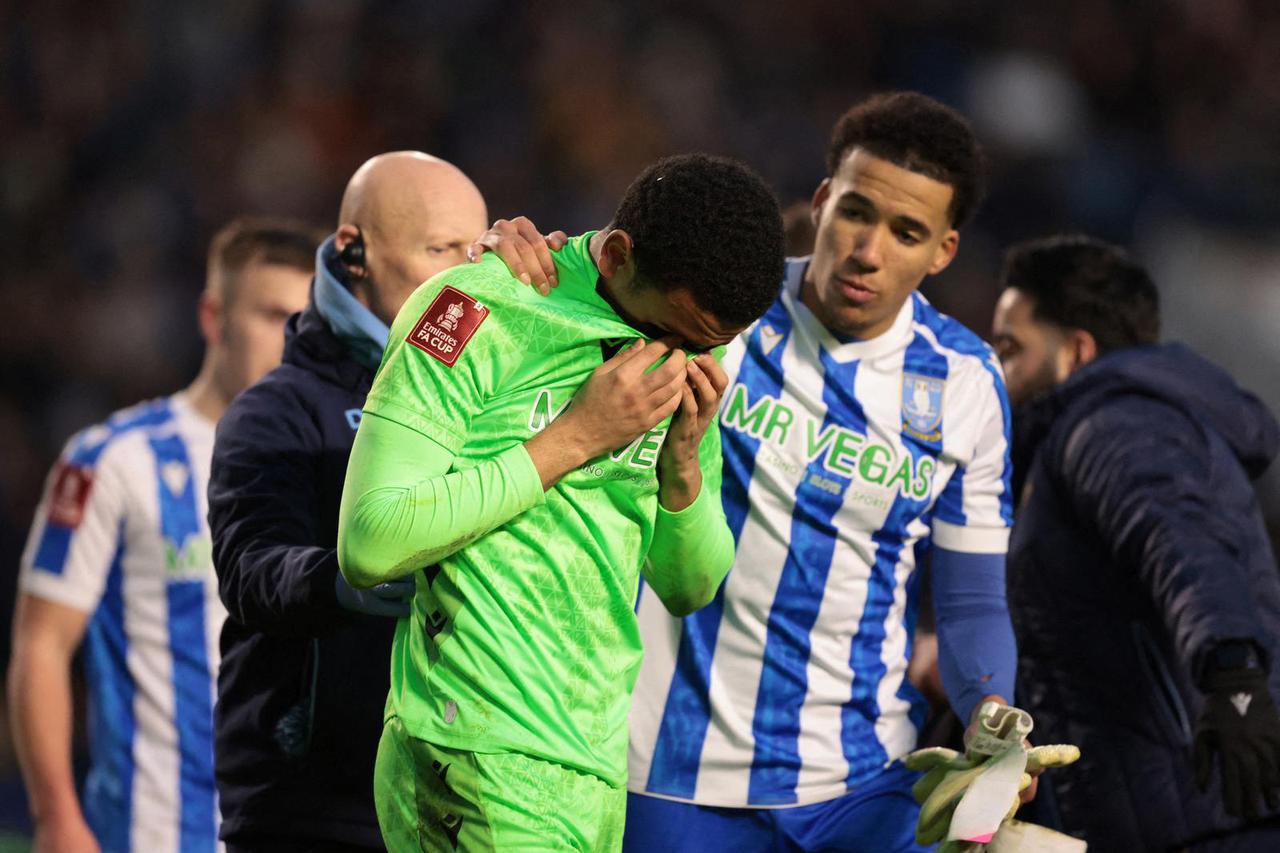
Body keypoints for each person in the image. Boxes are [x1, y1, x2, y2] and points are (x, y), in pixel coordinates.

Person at [479, 91, 1023, 853]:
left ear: (943, 251)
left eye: (906, 232)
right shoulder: (719, 310)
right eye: (858, 213)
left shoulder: (966, 382)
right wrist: (506, 259)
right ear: (825, 199)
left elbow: (968, 604)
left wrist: (992, 710)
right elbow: (580, 286)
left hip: (861, 789)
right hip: (662, 774)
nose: (868, 250)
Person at [337, 152, 785, 851]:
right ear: (617, 255)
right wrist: (576, 437)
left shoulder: (694, 349)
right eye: (674, 330)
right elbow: (372, 539)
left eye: (708, 345)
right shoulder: (476, 309)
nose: (679, 356)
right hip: (473, 741)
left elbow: (689, 585)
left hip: (594, 760)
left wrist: (683, 464)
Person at [207, 152, 494, 852]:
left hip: (460, 803)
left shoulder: (493, 403)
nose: (467, 276)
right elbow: (251, 569)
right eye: (439, 250)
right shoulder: (276, 413)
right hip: (315, 811)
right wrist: (344, 577)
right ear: (353, 251)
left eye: (476, 249)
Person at [8, 219, 318, 853]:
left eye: (303, 323)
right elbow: (41, 643)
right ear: (213, 318)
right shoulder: (111, 461)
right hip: (153, 833)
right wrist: (56, 816)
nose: (288, 342)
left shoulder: (331, 468)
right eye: (270, 315)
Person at [992, 235, 1280, 852]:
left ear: (1076, 351)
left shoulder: (1111, 423)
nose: (995, 368)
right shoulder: (1085, 438)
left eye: (1011, 347)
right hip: (1171, 813)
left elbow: (1179, 540)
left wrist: (1231, 675)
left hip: (1206, 810)